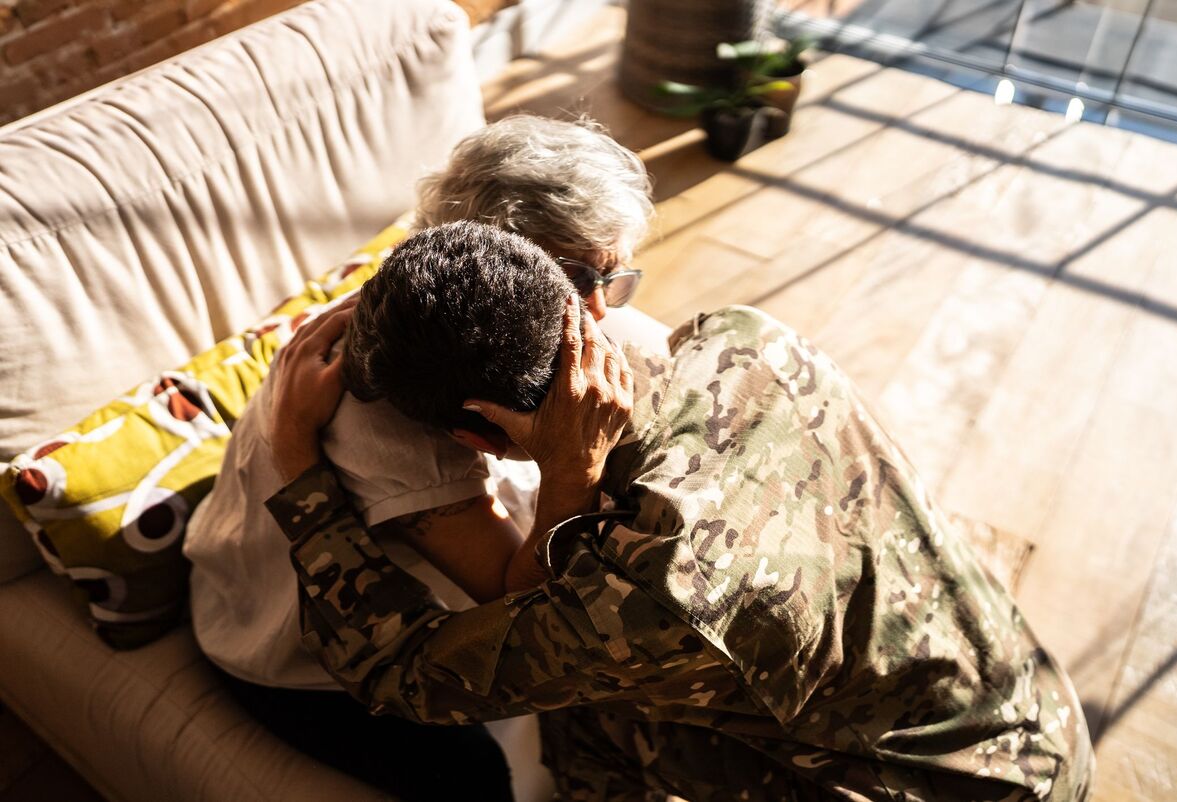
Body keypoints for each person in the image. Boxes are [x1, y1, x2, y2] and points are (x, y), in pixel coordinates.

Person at [264, 220, 1095, 802]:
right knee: (594, 709)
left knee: (581, 708)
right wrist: (568, 485)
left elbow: (399, 672)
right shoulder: (738, 337)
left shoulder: (643, 600)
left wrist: (297, 463)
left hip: (951, 790)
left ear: (476, 433)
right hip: (1029, 701)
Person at [182, 115, 654, 801]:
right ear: (493, 265)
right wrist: (571, 471)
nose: (601, 313)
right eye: (578, 279)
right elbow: (516, 598)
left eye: (614, 277)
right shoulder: (390, 422)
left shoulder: (431, 301)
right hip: (285, 645)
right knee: (470, 780)